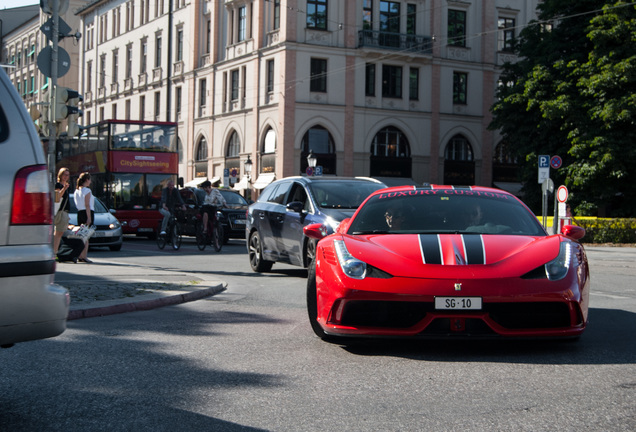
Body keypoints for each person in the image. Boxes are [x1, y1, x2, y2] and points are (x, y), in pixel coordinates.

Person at [74, 172, 95, 263]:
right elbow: (87, 205)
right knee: (86, 236)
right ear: (87, 180)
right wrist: (89, 217)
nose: (90, 182)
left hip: (80, 213)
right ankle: (84, 256)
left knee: (82, 235)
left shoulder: (76, 190)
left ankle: (80, 254)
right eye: (89, 180)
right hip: (87, 213)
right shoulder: (87, 191)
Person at [53, 167, 72, 255]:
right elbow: (57, 198)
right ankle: (54, 252)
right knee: (58, 233)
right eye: (64, 175)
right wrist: (64, 189)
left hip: (65, 211)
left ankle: (55, 251)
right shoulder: (58, 185)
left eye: (67, 175)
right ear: (60, 175)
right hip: (60, 211)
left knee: (60, 232)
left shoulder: (66, 185)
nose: (66, 177)